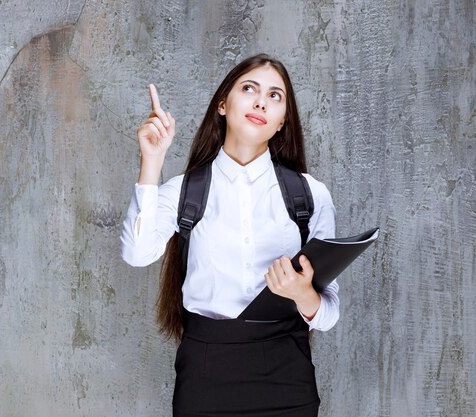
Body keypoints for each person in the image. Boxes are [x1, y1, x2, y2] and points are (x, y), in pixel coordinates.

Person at [120, 53, 339, 417]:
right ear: (223, 104)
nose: (259, 102)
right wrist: (152, 162)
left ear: (282, 120)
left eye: (274, 96)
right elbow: (136, 254)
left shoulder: (311, 195)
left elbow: (329, 313)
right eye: (249, 89)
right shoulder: (184, 191)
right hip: (206, 374)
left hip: (287, 375)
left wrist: (304, 294)